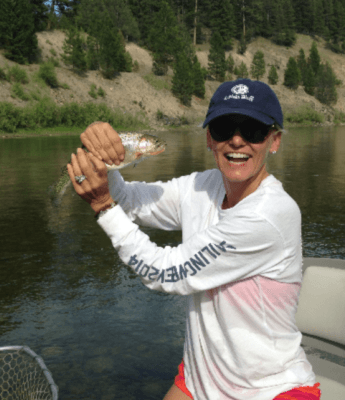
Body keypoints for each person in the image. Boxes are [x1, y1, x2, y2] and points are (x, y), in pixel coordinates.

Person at [67, 78, 321, 400]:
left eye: (253, 131)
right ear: (209, 139)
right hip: (200, 380)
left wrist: (103, 206)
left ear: (274, 141)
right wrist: (100, 158)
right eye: (224, 129)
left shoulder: (269, 215)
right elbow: (132, 200)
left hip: (270, 390)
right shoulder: (202, 186)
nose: (237, 141)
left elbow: (166, 272)